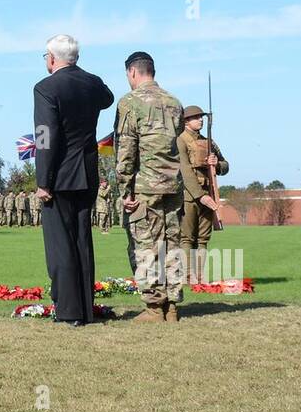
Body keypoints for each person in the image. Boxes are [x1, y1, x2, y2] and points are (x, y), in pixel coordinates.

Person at [33, 34, 114, 327]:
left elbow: (44, 136)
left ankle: (69, 311)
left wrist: (43, 180)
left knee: (60, 244)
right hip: (88, 171)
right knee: (82, 241)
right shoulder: (93, 83)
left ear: (53, 58)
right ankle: (86, 310)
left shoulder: (45, 88)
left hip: (60, 176)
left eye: (45, 56)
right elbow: (108, 98)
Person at [116, 51, 185, 323]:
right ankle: (172, 307)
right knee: (171, 244)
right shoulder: (174, 102)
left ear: (133, 72)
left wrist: (125, 191)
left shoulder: (130, 103)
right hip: (172, 186)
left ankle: (154, 308)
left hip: (144, 187)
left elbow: (126, 150)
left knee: (145, 245)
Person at [178, 105, 229, 283]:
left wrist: (217, 163)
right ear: (186, 121)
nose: (200, 120)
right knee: (187, 237)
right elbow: (184, 170)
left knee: (203, 238)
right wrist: (201, 196)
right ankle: (186, 276)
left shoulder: (209, 142)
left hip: (209, 192)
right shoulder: (180, 140)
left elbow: (225, 165)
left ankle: (199, 276)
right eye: (195, 117)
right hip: (189, 195)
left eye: (201, 117)